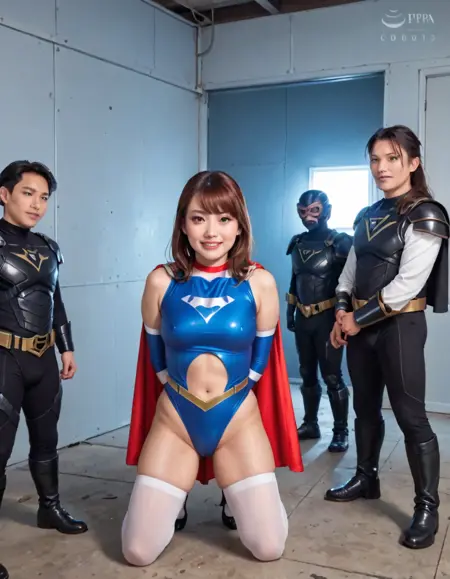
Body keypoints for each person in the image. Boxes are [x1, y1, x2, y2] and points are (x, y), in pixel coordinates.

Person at [122, 170, 303, 566]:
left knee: (268, 547)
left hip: (237, 419)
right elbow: (154, 355)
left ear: (239, 226)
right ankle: (175, 497)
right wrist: (175, 392)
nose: (211, 232)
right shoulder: (160, 281)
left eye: (223, 218)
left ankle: (235, 495)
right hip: (176, 420)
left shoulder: (260, 282)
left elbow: (262, 359)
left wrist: (237, 394)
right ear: (183, 224)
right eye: (198, 218)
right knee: (137, 551)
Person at [324, 125, 449, 550]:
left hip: (400, 328)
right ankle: (366, 477)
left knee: (412, 418)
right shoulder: (367, 214)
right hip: (360, 327)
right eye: (376, 159)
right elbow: (350, 272)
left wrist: (356, 320)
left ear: (413, 163)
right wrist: (341, 312)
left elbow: (408, 284)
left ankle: (427, 508)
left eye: (392, 158)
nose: (382, 167)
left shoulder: (426, 213)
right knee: (364, 408)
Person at [0, 160, 88, 541]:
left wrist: (67, 348)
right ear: (4, 194)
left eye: (44, 197)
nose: (37, 204)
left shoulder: (48, 247)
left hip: (44, 360)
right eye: (27, 193)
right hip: (5, 361)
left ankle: (49, 509)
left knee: (47, 441)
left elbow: (56, 301)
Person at [286, 189, 352, 452]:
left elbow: (350, 283)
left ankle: (341, 431)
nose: (308, 216)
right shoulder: (297, 243)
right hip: (303, 318)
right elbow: (295, 279)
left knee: (332, 376)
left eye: (314, 210)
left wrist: (345, 316)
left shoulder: (340, 242)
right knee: (306, 373)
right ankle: (310, 423)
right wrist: (290, 310)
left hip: (328, 319)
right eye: (303, 211)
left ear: (327, 211)